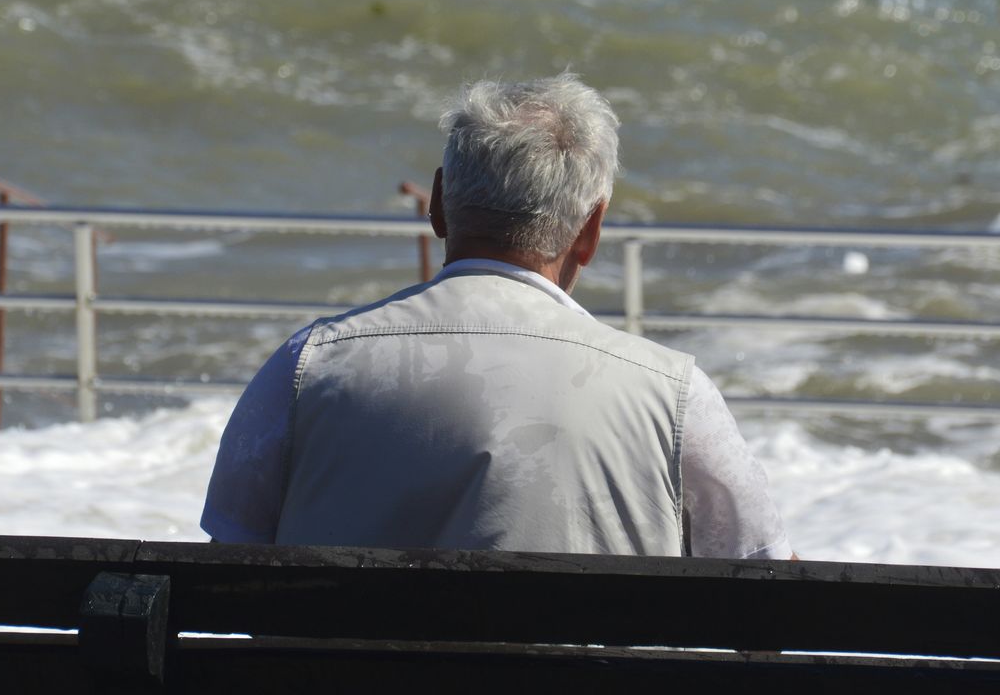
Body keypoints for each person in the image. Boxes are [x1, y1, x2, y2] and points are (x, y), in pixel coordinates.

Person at [202, 73, 791, 559]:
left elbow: (231, 557)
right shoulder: (672, 396)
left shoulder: (307, 365)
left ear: (438, 205)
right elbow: (770, 589)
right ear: (590, 232)